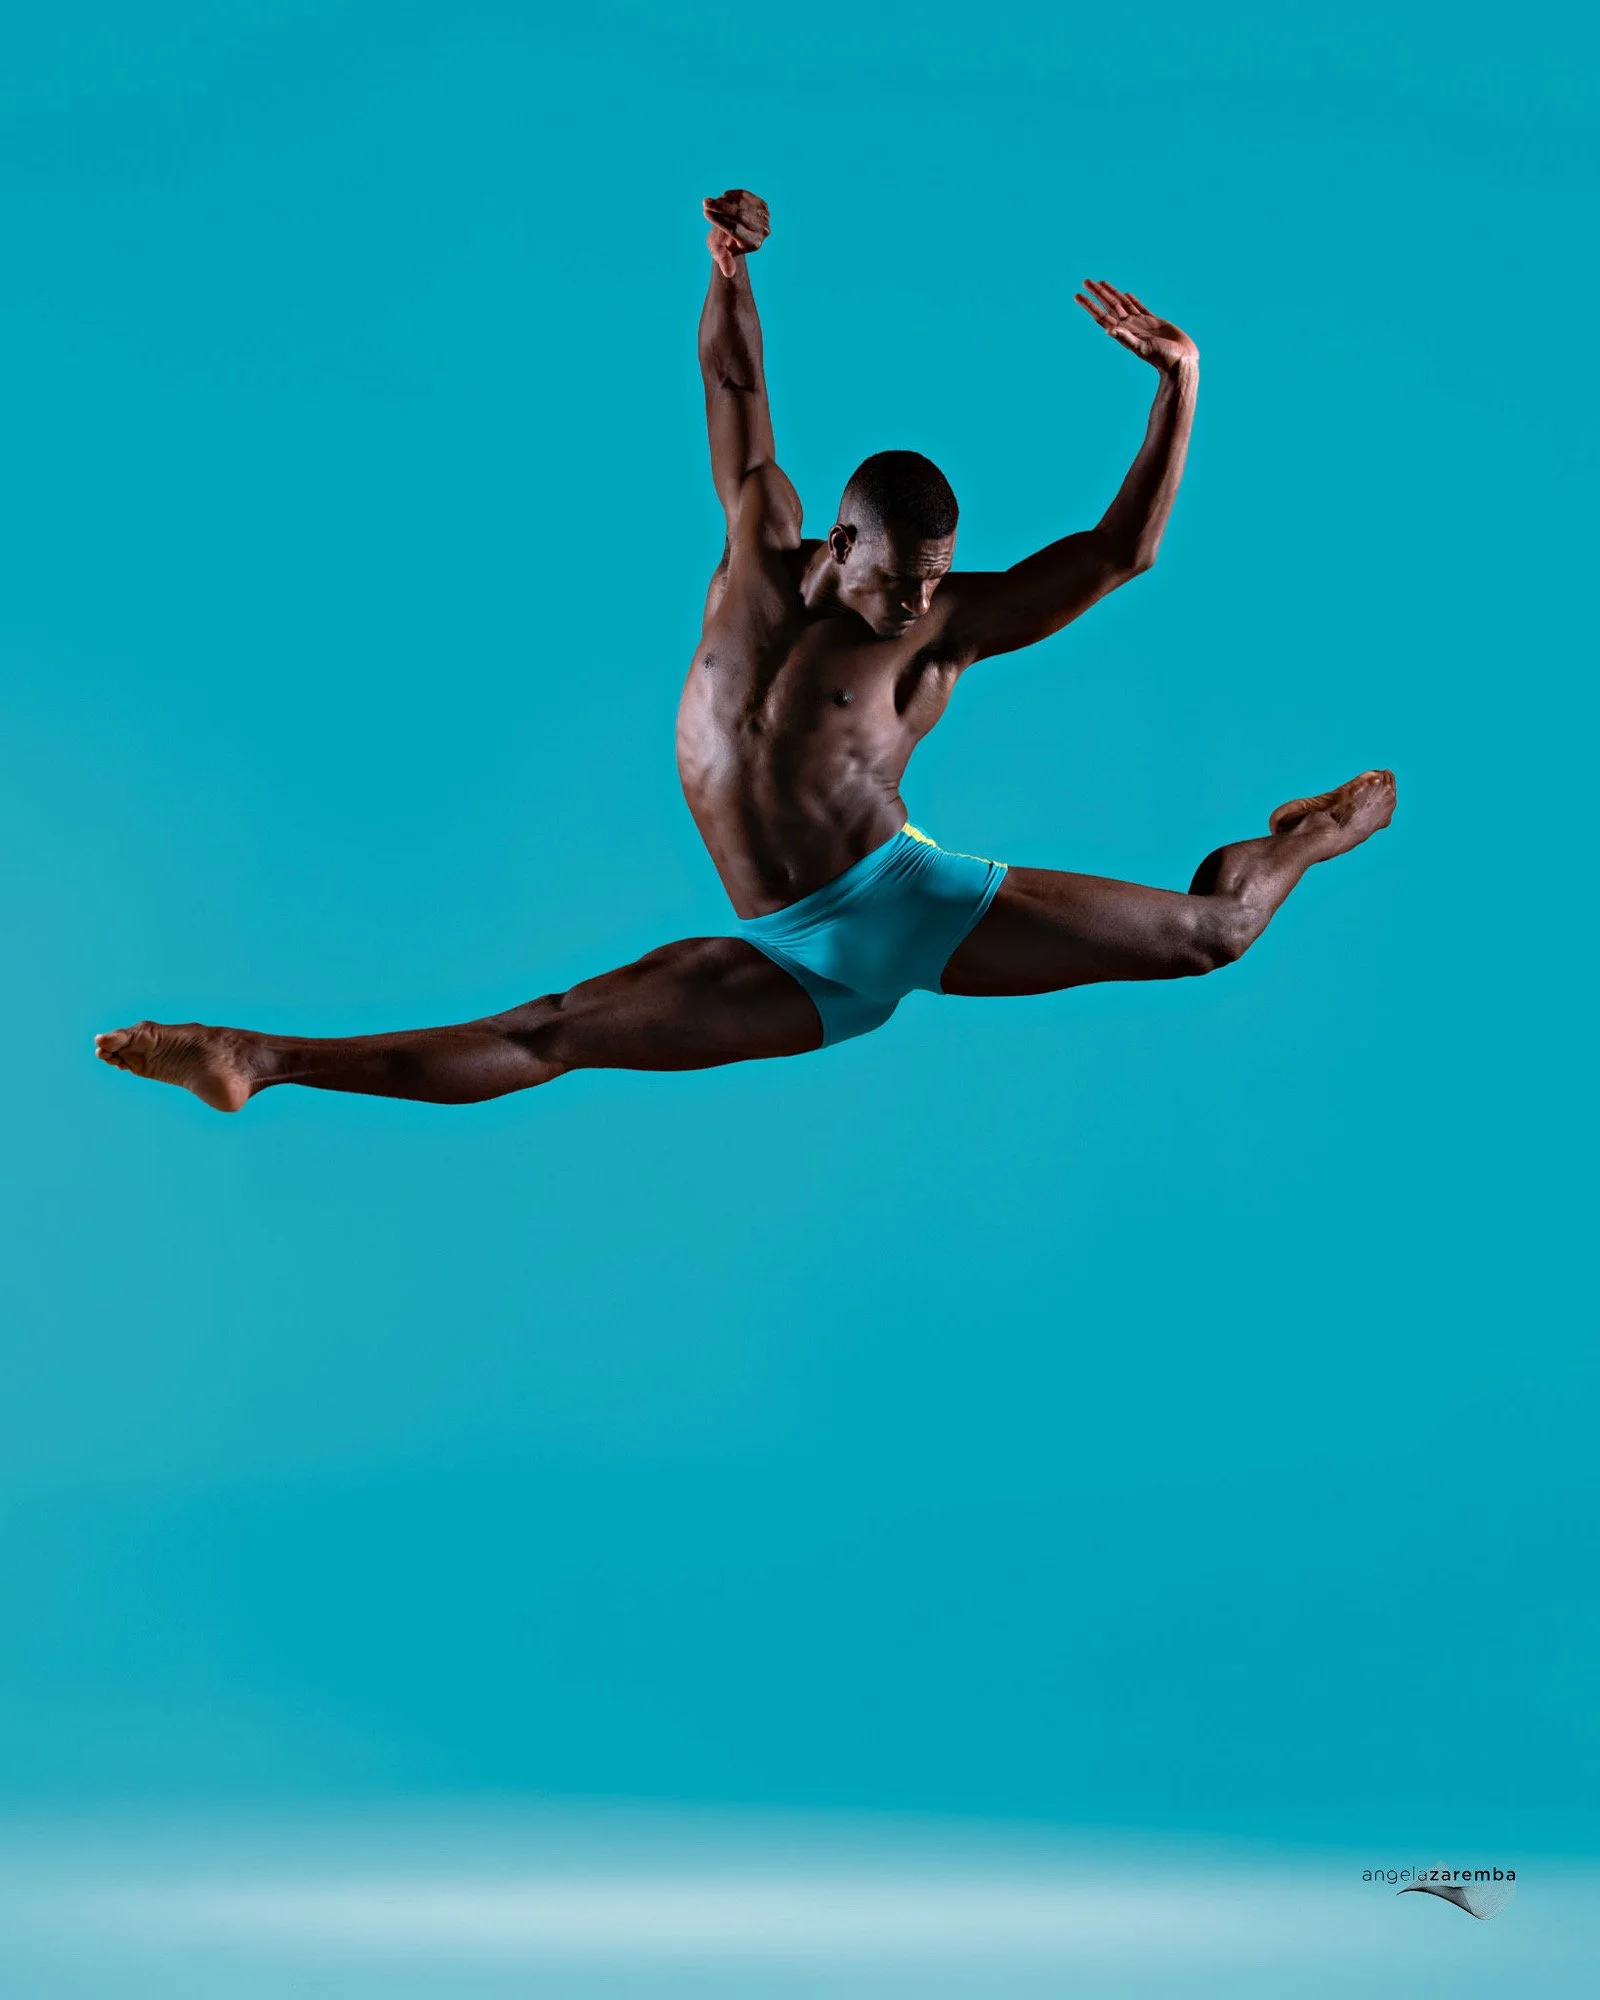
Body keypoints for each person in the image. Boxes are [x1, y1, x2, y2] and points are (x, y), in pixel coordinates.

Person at [96, 188, 1393, 1112]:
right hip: (782, 943)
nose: (917, 609)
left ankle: (1308, 833)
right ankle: (256, 1057)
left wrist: (1181, 380)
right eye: (898, 584)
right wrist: (729, 269)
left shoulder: (942, 631)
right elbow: (735, 396)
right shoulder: (760, 541)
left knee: (1216, 932)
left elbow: (1118, 557)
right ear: (841, 543)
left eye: (937, 586)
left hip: (896, 902)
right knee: (545, 1036)